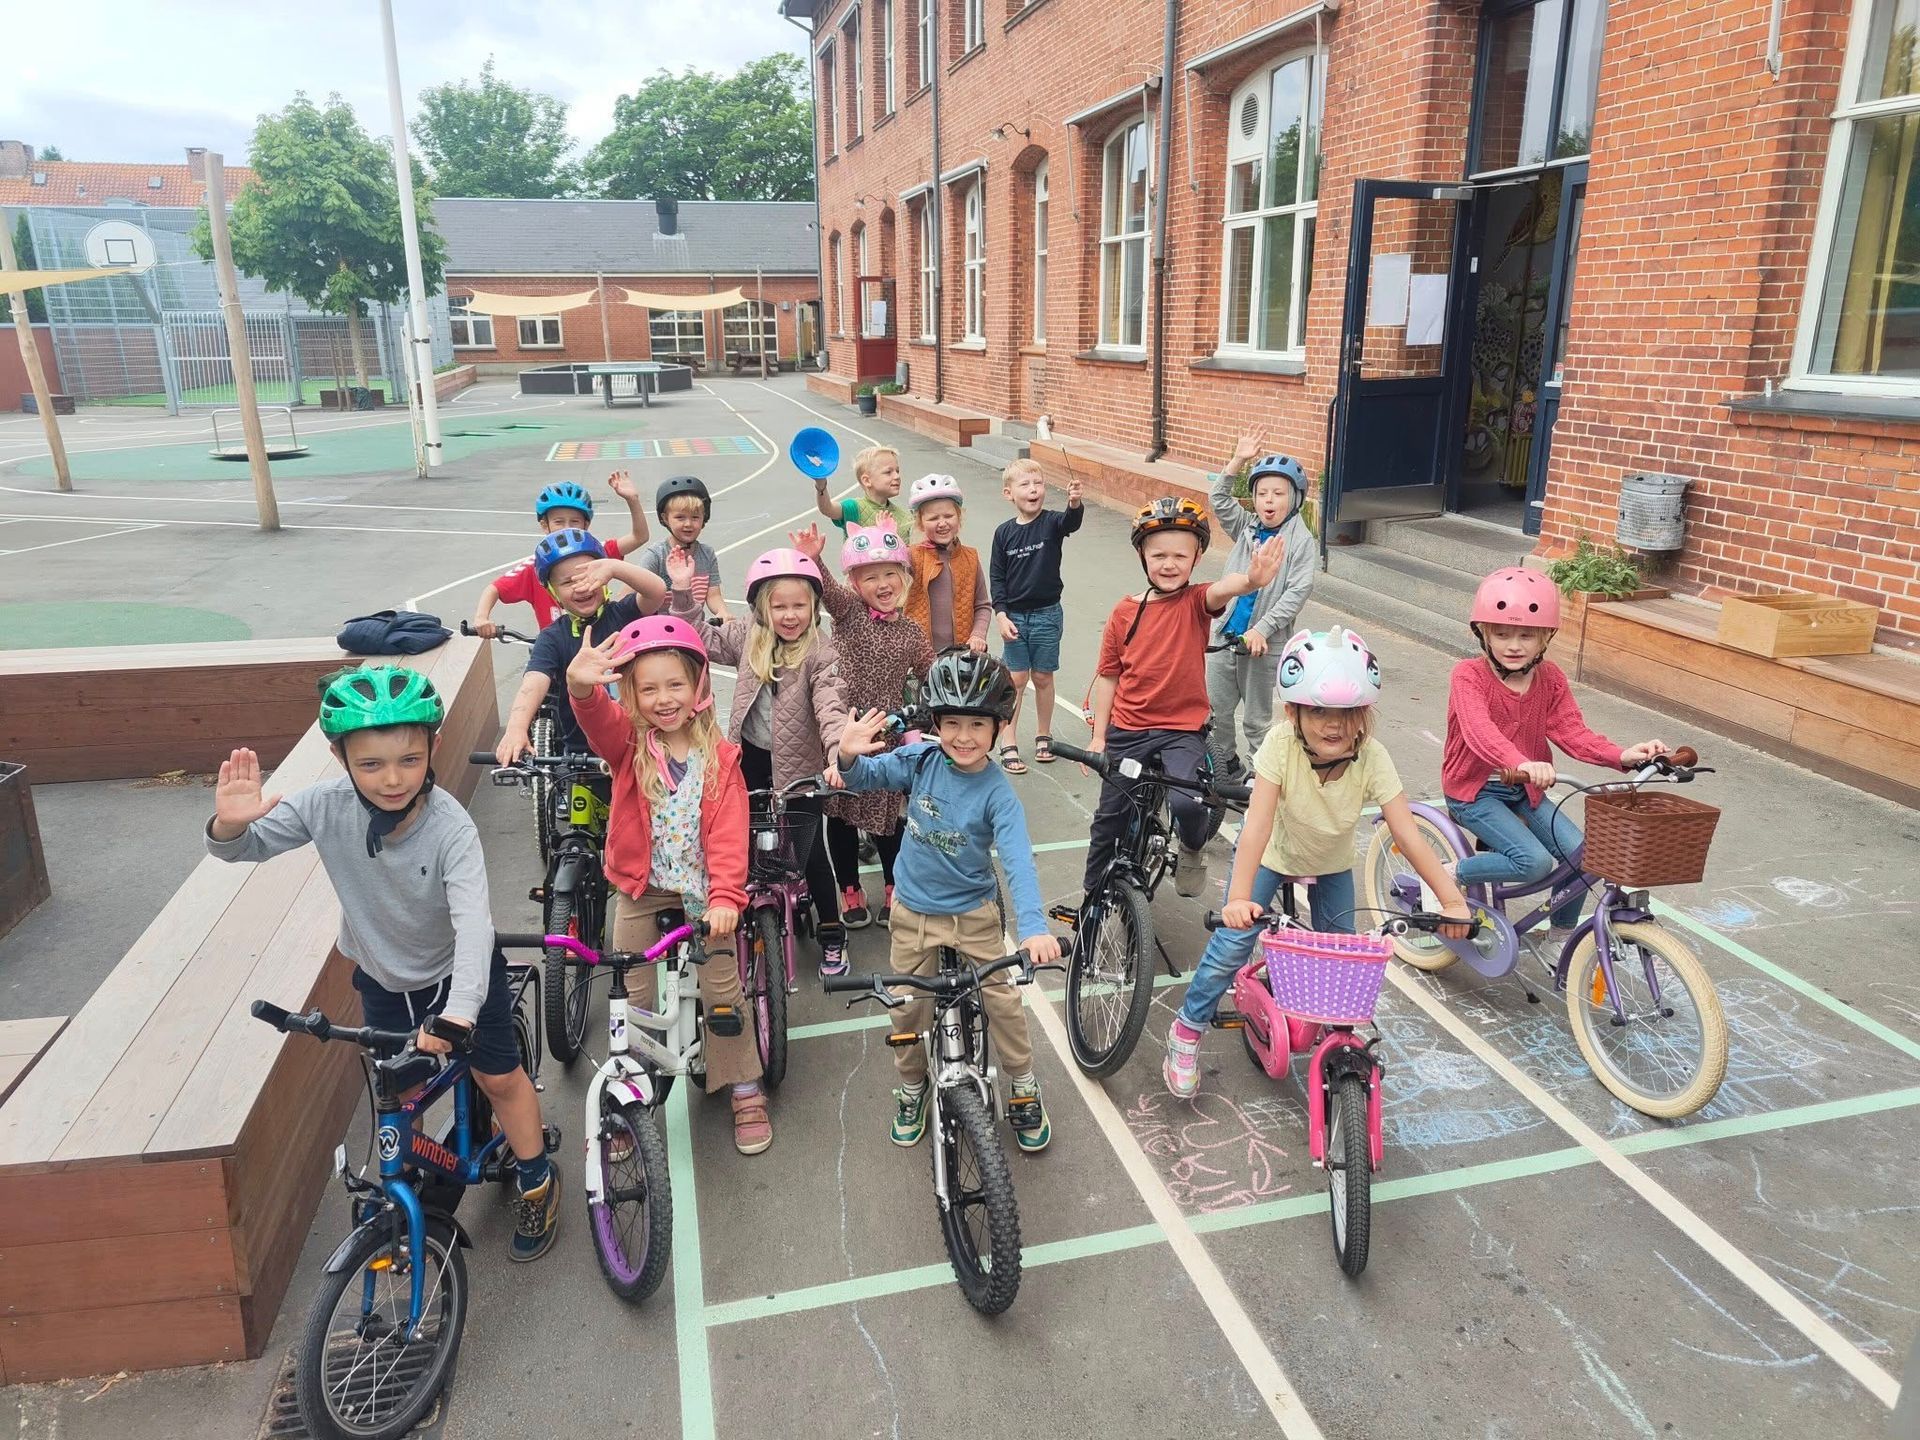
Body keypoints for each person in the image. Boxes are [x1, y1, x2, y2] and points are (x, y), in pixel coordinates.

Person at [207, 665, 561, 1260]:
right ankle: (409, 1195)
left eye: (408, 760)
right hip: (383, 981)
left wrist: (462, 1011)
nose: (392, 779)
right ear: (340, 757)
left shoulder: (451, 827)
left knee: (498, 1077)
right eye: (370, 764)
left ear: (433, 749)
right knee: (403, 1097)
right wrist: (229, 822)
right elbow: (244, 846)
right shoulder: (324, 806)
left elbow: (474, 925)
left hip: (458, 979)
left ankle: (536, 1179)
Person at [1163, 629, 1472, 1098]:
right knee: (1230, 945)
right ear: (1294, 712)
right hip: (1273, 856)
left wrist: (1451, 901)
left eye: (1347, 713)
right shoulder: (1281, 745)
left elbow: (1406, 834)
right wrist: (1241, 897)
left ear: (1363, 715)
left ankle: (1336, 1042)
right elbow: (1258, 826)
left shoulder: (1372, 757)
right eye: (1319, 711)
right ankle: (1186, 1032)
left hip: (1331, 864)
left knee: (1342, 958)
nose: (1334, 724)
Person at [835, 650, 1063, 1152]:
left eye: (977, 724)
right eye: (952, 722)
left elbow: (1019, 862)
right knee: (906, 1008)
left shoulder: (998, 794)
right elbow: (863, 778)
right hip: (913, 912)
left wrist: (1032, 927)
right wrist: (847, 756)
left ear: (999, 726)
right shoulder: (922, 760)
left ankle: (1023, 1084)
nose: (963, 736)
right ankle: (912, 1086)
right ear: (935, 723)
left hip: (974, 916)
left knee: (1003, 1000)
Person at [565, 614, 772, 1155]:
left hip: (705, 894)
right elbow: (596, 719)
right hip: (642, 888)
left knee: (722, 990)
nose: (663, 698)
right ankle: (631, 1093)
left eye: (675, 684)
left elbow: (729, 833)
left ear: (698, 686)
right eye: (648, 688)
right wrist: (581, 687)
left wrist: (727, 896)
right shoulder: (630, 745)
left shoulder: (720, 758)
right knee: (629, 994)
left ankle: (743, 1085)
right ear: (630, 695)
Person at [1445, 567, 1669, 943]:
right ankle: (1447, 872)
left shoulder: (1549, 679)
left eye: (1526, 635)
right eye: (1501, 633)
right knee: (1532, 863)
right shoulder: (1468, 676)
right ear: (1482, 633)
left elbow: (1571, 731)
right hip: (1475, 791)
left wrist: (1624, 755)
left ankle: (1559, 937)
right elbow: (1479, 732)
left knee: (1584, 856)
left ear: (1546, 637)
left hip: (1525, 789)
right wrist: (1519, 762)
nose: (1513, 645)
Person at [1082, 497, 1284, 900]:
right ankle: (1092, 899)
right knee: (1108, 820)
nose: (1168, 563)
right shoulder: (1124, 612)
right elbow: (1108, 677)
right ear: (1142, 555)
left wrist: (1251, 581)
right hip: (1129, 730)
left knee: (1189, 804)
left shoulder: (1195, 601)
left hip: (1180, 732)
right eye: (1158, 554)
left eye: (1180, 555)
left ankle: (1192, 847)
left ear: (1197, 558)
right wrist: (1100, 737)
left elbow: (1224, 589)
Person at [675, 544, 851, 975]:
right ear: (760, 607)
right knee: (746, 847)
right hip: (749, 761)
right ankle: (753, 925)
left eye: (800, 606)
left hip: (803, 768)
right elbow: (698, 639)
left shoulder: (820, 652)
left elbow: (831, 706)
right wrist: (683, 595)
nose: (790, 615)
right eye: (779, 606)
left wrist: (837, 751)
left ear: (813, 607)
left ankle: (832, 931)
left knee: (810, 854)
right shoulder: (747, 636)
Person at [793, 520, 932, 929]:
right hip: (842, 730)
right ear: (856, 582)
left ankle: (894, 887)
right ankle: (849, 888)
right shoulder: (850, 612)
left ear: (905, 578)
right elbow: (829, 591)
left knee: (889, 820)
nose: (883, 583)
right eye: (871, 576)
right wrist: (815, 558)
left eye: (891, 573)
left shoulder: (911, 631)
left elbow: (932, 673)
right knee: (839, 816)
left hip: (885, 738)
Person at [492, 529, 670, 764]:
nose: (580, 587)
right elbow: (533, 683)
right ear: (552, 591)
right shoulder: (552, 637)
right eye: (567, 582)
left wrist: (615, 568)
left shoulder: (624, 613)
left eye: (588, 577)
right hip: (582, 756)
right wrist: (516, 727)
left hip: (638, 745)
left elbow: (656, 590)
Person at [1205, 437, 1317, 777]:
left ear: (1295, 498)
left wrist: (1262, 629)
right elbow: (1218, 500)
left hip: (1262, 645)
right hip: (1225, 635)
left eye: (1278, 493)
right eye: (1262, 493)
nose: (1269, 500)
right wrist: (1237, 461)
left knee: (1256, 720)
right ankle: (1226, 764)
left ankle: (1261, 778)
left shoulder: (1301, 541)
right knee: (1216, 711)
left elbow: (1297, 591)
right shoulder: (1247, 527)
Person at [989, 457, 1084, 772]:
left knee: (1043, 676)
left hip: (1047, 615)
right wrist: (1001, 615)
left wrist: (1074, 504)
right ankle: (1008, 738)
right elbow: (997, 579)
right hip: (1014, 616)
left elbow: (1071, 523)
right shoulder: (1003, 533)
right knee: (1016, 678)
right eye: (1025, 484)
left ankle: (1044, 734)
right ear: (1008, 494)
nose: (1033, 490)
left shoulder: (1053, 523)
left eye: (1038, 483)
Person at [469, 473, 649, 636]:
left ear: (586, 525)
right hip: (556, 650)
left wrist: (632, 500)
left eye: (575, 522)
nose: (567, 528)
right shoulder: (536, 565)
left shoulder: (597, 551)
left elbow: (639, 537)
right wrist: (482, 618)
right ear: (544, 525)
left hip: (602, 637)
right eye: (558, 522)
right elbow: (494, 589)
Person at [903, 474, 992, 657]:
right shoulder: (911, 556)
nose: (942, 523)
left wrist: (978, 635)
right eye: (933, 518)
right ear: (920, 523)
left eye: (949, 516)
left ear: (959, 517)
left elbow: (982, 604)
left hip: (961, 654)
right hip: (920, 656)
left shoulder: (970, 558)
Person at [635, 476, 728, 620]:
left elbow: (713, 595)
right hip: (661, 629)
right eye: (680, 517)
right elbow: (633, 595)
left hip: (695, 628)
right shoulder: (656, 555)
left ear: (704, 517)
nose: (688, 524)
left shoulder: (707, 554)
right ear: (665, 518)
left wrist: (722, 612)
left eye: (695, 517)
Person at [814, 442, 910, 534]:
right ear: (867, 481)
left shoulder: (904, 518)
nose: (897, 476)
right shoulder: (854, 508)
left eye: (897, 471)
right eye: (888, 472)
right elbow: (827, 508)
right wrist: (821, 485)